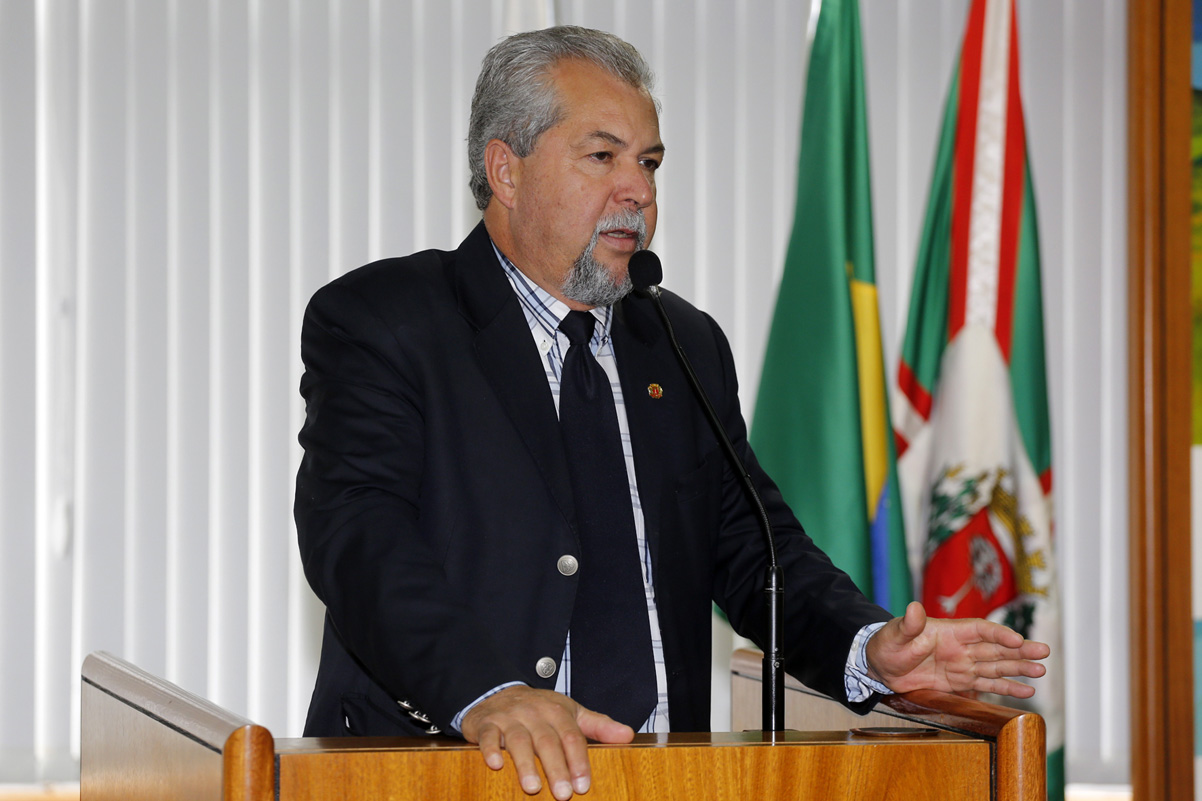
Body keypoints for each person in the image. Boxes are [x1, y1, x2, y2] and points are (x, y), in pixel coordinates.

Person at [294, 25, 1049, 801]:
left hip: (667, 779)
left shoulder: (681, 342)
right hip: (448, 774)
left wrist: (867, 645)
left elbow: (757, 550)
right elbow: (358, 533)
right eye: (603, 156)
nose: (640, 191)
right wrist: (485, 690)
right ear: (505, 170)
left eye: (650, 162)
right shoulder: (387, 320)